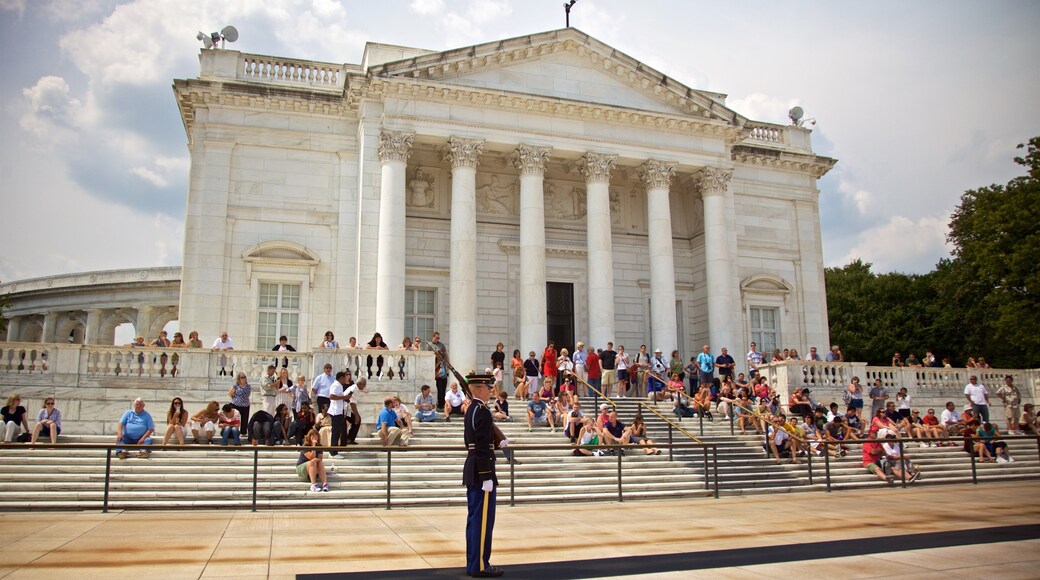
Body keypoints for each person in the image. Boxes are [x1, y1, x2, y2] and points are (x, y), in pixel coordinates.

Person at [462, 373, 503, 578]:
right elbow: (479, 445)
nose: (491, 391)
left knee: (475, 519)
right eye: (488, 388)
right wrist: (487, 475)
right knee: (482, 521)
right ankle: (479, 565)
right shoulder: (482, 411)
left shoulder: (472, 409)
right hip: (481, 471)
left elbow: (476, 441)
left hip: (474, 468)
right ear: (478, 389)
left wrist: (497, 442)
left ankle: (474, 563)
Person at [327, 371, 352, 453]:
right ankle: (333, 451)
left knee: (339, 431)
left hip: (339, 412)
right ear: (341, 377)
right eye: (345, 377)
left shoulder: (339, 386)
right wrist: (344, 397)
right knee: (335, 432)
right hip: (335, 412)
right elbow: (331, 396)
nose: (346, 379)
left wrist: (345, 398)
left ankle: (336, 449)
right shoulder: (335, 385)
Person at [344, 377, 367, 444]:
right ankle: (349, 439)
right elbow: (352, 403)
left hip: (347, 409)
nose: (364, 386)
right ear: (359, 384)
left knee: (357, 420)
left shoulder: (355, 388)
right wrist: (356, 415)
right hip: (344, 409)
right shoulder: (354, 389)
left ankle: (350, 438)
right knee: (356, 420)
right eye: (364, 384)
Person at [228, 372, 252, 437]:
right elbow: (230, 393)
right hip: (236, 404)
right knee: (235, 418)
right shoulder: (236, 386)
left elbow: (248, 394)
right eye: (242, 377)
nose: (243, 379)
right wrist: (234, 398)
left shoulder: (248, 386)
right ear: (239, 379)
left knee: (245, 418)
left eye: (244, 377)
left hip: (245, 405)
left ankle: (243, 432)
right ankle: (234, 431)